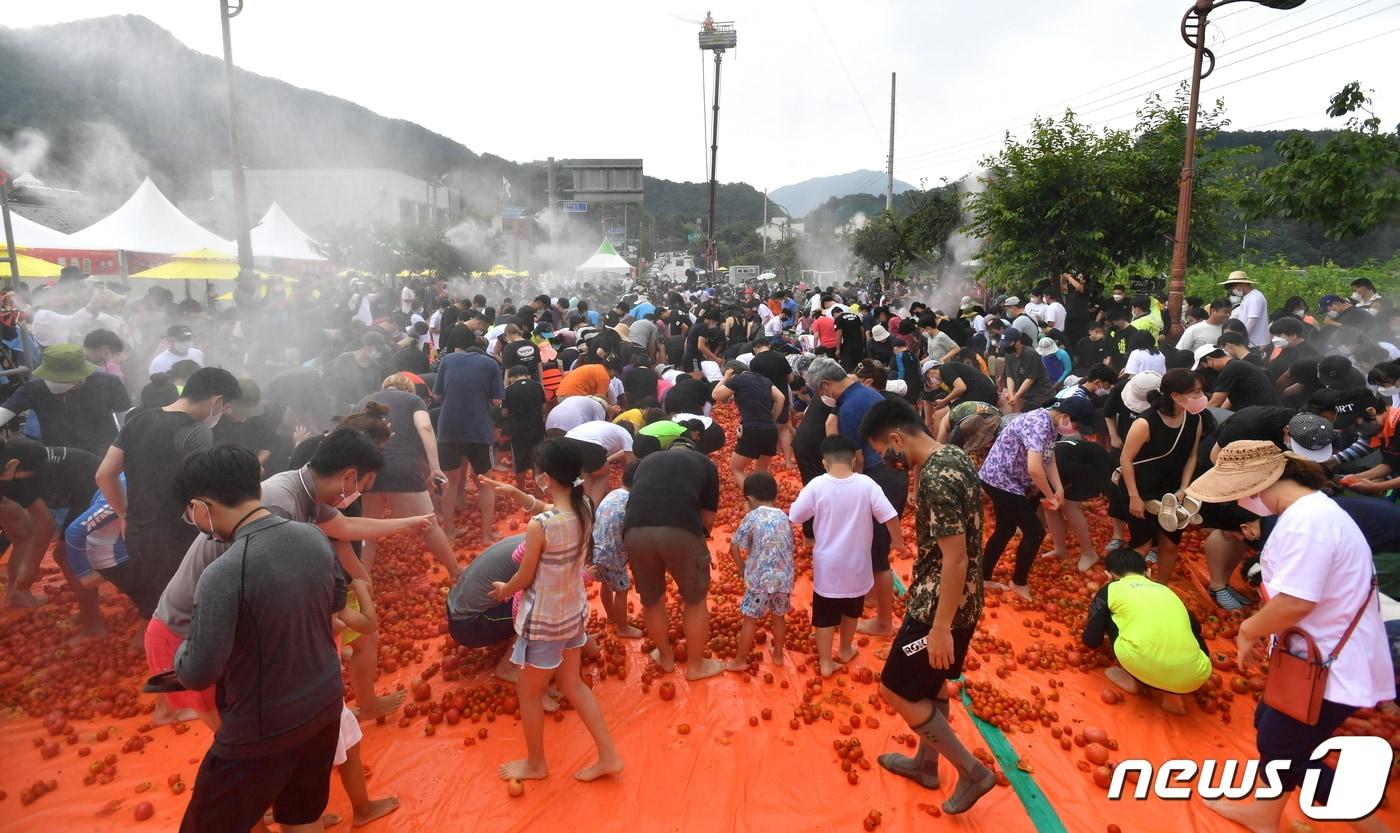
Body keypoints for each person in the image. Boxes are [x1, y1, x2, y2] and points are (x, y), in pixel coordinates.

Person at [1186, 441, 1392, 833]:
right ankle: (1268, 814)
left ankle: (1365, 819)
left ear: (1255, 488)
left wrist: (1249, 629)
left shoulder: (1306, 524)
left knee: (1283, 745)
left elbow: (1298, 601)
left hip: (1331, 662)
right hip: (1318, 655)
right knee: (1276, 730)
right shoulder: (1311, 512)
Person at [172, 446, 347, 833]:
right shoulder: (313, 536)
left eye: (189, 513)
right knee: (301, 816)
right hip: (324, 704)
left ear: (201, 506)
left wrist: (185, 647)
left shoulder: (223, 573)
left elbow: (198, 671)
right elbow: (334, 601)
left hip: (262, 730)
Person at [858, 398, 996, 815]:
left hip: (940, 605)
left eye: (885, 452)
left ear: (897, 438)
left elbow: (955, 557)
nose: (887, 461)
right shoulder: (952, 454)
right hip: (964, 598)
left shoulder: (935, 476)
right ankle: (925, 765)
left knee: (895, 690)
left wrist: (939, 627)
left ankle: (972, 772)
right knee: (931, 686)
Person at [487, 439, 623, 784]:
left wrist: (504, 589)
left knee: (528, 691)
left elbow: (524, 574)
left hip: (544, 621)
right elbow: (550, 508)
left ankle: (536, 764)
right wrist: (517, 495)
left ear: (545, 476)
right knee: (573, 684)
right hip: (572, 614)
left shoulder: (541, 526)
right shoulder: (585, 508)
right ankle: (608, 756)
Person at [96, 367, 241, 621]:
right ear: (216, 401)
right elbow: (203, 489)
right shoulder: (196, 432)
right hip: (179, 535)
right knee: (185, 609)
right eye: (225, 407)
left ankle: (155, 648)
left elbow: (104, 474)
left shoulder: (138, 420)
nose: (223, 413)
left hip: (140, 530)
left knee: (155, 601)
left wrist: (123, 514)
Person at [787, 436, 906, 678]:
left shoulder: (817, 485)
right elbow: (889, 515)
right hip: (858, 565)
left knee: (825, 613)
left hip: (827, 565)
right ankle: (844, 650)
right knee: (852, 609)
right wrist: (898, 542)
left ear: (824, 462)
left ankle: (826, 662)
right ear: (853, 459)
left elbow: (795, 515)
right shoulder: (867, 484)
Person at [806, 356, 906, 636]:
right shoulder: (865, 393)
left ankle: (884, 622)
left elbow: (858, 460)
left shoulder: (849, 409)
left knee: (877, 554)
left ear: (826, 386)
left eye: (819, 391)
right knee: (876, 545)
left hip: (879, 476)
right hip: (896, 471)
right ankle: (873, 597)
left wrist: (848, 492)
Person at [622, 437, 724, 680]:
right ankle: (696, 667)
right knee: (695, 600)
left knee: (652, 600)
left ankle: (666, 658)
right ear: (693, 449)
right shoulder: (705, 464)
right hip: (680, 529)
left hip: (634, 531)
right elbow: (707, 518)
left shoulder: (646, 461)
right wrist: (699, 542)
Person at [980, 398, 1096, 600]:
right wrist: (1051, 496)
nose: (1076, 430)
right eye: (1077, 425)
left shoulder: (1051, 424)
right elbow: (1034, 468)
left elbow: (1048, 458)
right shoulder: (1039, 423)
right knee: (1035, 532)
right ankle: (1018, 582)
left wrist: (1058, 488)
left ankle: (983, 577)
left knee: (1005, 529)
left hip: (1008, 480)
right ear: (1066, 417)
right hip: (1000, 480)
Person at [1082, 549, 1210, 715]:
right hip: (1195, 676)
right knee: (1186, 629)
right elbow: (1196, 629)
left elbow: (1091, 639)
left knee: (1109, 616)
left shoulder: (1111, 589)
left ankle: (1131, 678)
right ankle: (1172, 694)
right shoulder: (1167, 591)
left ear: (1108, 575)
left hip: (1139, 663)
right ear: (1148, 572)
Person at [1110, 368, 1206, 584]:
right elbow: (1126, 460)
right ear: (1175, 396)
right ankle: (1125, 588)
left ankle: (1161, 588)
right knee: (1142, 543)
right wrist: (1134, 496)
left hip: (1171, 490)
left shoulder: (1194, 420)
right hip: (1142, 488)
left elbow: (1191, 456)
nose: (1201, 397)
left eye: (1201, 391)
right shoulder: (1145, 423)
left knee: (1170, 543)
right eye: (1196, 392)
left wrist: (1184, 488)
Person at [356, 376, 457, 577]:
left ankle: (363, 585)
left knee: (368, 532)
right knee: (428, 525)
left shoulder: (364, 401)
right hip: (401, 468)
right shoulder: (413, 400)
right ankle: (456, 572)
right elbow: (425, 428)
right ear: (409, 390)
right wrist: (435, 468)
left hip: (367, 470)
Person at [0, 440, 102, 628]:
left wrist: (30, 566)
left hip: (94, 486)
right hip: (80, 485)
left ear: (11, 468)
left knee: (67, 554)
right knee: (61, 551)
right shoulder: (11, 468)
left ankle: (93, 624)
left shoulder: (26, 475)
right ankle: (89, 613)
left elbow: (45, 523)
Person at [0, 343, 131, 456]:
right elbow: (4, 413)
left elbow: (126, 418)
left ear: (80, 374)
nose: (53, 383)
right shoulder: (35, 389)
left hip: (103, 453)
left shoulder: (108, 383)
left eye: (61, 380)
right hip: (59, 455)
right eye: (51, 378)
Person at [434, 341, 504, 545]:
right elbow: (497, 402)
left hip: (448, 428)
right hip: (478, 429)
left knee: (450, 481)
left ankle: (449, 533)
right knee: (485, 482)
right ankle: (486, 535)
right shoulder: (491, 364)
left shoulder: (447, 359)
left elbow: (437, 395)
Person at [724, 471, 795, 672]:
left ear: (750, 498)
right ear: (775, 495)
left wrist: (742, 569)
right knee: (778, 616)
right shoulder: (784, 517)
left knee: (750, 619)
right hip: (783, 579)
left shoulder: (751, 516)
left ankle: (740, 660)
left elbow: (734, 547)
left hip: (759, 581)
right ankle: (779, 655)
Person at [589, 460, 643, 639]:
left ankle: (611, 617)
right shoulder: (631, 502)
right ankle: (623, 627)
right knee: (621, 590)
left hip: (597, 550)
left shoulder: (613, 494)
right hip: (613, 555)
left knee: (605, 583)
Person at [1045, 433, 1113, 572]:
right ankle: (1059, 549)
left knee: (1069, 506)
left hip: (1094, 465)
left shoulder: (1058, 467)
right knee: (1048, 504)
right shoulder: (1036, 464)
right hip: (1071, 461)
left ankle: (1089, 553)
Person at [711, 360, 784, 489]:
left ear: (732, 371)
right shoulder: (764, 379)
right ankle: (763, 500)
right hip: (770, 430)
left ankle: (754, 498)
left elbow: (716, 394)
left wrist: (726, 377)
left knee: (736, 468)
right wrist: (772, 420)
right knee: (761, 472)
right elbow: (781, 398)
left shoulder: (738, 379)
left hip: (752, 428)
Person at [501, 364, 547, 490]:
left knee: (520, 462)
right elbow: (543, 408)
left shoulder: (508, 390)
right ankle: (540, 491)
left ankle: (521, 490)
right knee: (538, 461)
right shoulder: (537, 386)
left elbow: (504, 413)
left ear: (511, 378)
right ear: (528, 375)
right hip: (537, 428)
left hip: (518, 431)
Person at [1199, 340, 1279, 410]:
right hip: (1265, 409)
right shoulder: (1235, 365)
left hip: (1263, 412)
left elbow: (1215, 403)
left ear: (1209, 359)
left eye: (1204, 366)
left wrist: (1200, 417)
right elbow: (1227, 400)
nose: (1207, 369)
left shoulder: (1230, 369)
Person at [1001, 331, 1054, 412]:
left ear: (1018, 341)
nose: (1006, 347)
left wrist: (1016, 396)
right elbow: (1009, 376)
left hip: (1040, 395)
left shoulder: (1030, 354)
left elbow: (1030, 378)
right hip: (1025, 395)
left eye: (1009, 343)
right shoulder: (1009, 354)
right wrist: (1011, 394)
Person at [1223, 271, 1269, 348]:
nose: (1233, 291)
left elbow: (1252, 320)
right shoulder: (1248, 297)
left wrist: (1241, 338)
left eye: (1233, 288)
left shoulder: (1255, 297)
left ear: (1240, 284)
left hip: (1256, 343)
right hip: (1250, 341)